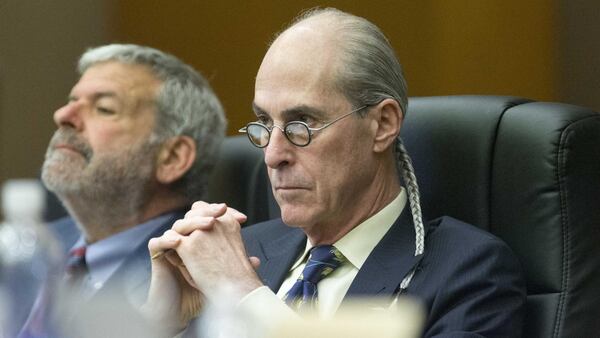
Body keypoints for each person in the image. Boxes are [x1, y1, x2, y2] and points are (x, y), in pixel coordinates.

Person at [147, 8, 526, 337]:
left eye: (302, 123)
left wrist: (244, 295)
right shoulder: (244, 252)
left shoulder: (467, 271)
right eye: (265, 122)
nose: (273, 155)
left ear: (382, 124)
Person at [19, 43, 226, 337]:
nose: (63, 115)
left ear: (171, 157)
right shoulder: (30, 248)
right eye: (71, 101)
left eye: (104, 108)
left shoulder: (197, 283)